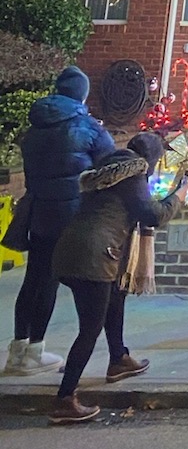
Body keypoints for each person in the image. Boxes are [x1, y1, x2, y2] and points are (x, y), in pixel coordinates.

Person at [47, 131, 184, 425]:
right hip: (93, 256)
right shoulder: (133, 175)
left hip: (73, 248)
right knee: (89, 329)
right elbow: (152, 214)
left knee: (115, 296)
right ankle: (64, 399)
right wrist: (178, 196)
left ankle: (119, 358)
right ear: (150, 159)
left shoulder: (107, 173)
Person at [5, 66, 114, 377]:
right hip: (72, 217)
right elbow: (108, 167)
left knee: (34, 280)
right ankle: (35, 352)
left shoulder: (36, 126)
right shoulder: (87, 127)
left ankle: (18, 351)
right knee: (57, 284)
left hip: (38, 212)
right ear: (82, 94)